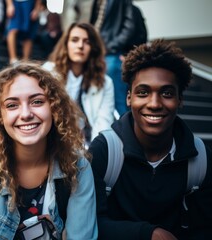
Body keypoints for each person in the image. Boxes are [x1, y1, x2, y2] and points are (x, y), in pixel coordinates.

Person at [0, 62, 98, 239]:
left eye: (37, 101)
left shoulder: (78, 167)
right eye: (12, 105)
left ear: (54, 108)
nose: (25, 114)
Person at [89, 39, 212, 239]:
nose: (154, 104)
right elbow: (90, 222)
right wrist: (147, 234)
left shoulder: (201, 159)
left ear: (180, 99)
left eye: (166, 93)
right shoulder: (104, 151)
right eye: (143, 92)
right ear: (129, 98)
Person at [43, 22, 114, 143]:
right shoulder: (48, 72)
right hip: (54, 142)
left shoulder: (105, 83)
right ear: (66, 44)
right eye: (75, 40)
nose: (80, 46)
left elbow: (103, 124)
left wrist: (93, 153)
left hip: (88, 144)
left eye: (87, 42)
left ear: (93, 48)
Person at [90, 0, 136, 117]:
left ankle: (127, 133)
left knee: (119, 101)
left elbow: (130, 26)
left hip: (112, 54)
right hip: (97, 54)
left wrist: (111, 46)